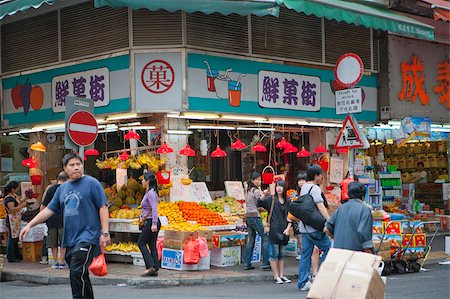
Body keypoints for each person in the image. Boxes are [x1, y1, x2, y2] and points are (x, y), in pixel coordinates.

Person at [20, 153, 110, 299]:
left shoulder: (92, 183)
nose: (76, 168)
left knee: (75, 271)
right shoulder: (62, 189)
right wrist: (30, 225)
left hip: (87, 237)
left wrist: (105, 233)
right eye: (72, 165)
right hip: (69, 240)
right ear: (65, 168)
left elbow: (103, 207)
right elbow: (49, 210)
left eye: (78, 164)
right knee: (81, 274)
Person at [297, 164, 331, 292]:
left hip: (304, 228)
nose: (322, 176)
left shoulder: (304, 187)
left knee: (305, 255)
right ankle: (321, 275)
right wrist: (329, 221)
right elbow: (321, 206)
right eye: (320, 174)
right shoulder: (315, 189)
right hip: (315, 229)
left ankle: (302, 283)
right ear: (316, 176)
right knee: (330, 250)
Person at [258, 180, 292, 284]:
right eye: (277, 186)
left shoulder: (287, 200)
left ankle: (281, 275)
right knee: (274, 253)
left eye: (281, 186)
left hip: (284, 230)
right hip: (274, 230)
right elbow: (259, 204)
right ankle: (275, 275)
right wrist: (263, 195)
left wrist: (288, 228)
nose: (279, 188)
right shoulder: (271, 199)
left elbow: (290, 216)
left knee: (282, 254)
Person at [324, 182, 374, 253]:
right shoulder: (364, 210)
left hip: (339, 253)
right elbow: (364, 235)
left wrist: (338, 238)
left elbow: (326, 229)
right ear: (363, 196)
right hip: (355, 255)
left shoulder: (340, 208)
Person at [41, 171, 69, 269]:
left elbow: (43, 205)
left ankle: (55, 261)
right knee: (63, 242)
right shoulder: (67, 189)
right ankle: (62, 261)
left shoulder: (50, 189)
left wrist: (43, 218)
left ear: (57, 179)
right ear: (66, 179)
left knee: (53, 242)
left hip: (51, 219)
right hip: (63, 219)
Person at [243, 172, 270, 271]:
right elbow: (261, 201)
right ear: (252, 181)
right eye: (257, 180)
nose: (259, 181)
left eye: (260, 179)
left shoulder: (248, 190)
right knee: (265, 238)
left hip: (248, 217)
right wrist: (265, 193)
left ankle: (247, 263)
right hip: (255, 217)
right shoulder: (255, 191)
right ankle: (266, 263)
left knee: (251, 240)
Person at [137, 172, 161, 277]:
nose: (142, 181)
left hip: (151, 221)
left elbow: (154, 209)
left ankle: (150, 266)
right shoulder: (150, 192)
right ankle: (155, 267)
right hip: (151, 221)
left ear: (148, 182)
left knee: (141, 243)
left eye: (143, 180)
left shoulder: (151, 193)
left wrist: (154, 223)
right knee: (152, 245)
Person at [4, 181, 29, 262]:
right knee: (12, 238)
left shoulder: (14, 196)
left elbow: (19, 202)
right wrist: (22, 206)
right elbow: (12, 210)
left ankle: (17, 255)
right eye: (16, 187)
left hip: (16, 220)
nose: (17, 189)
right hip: (11, 219)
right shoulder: (8, 198)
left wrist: (26, 197)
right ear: (12, 189)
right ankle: (11, 256)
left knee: (15, 238)